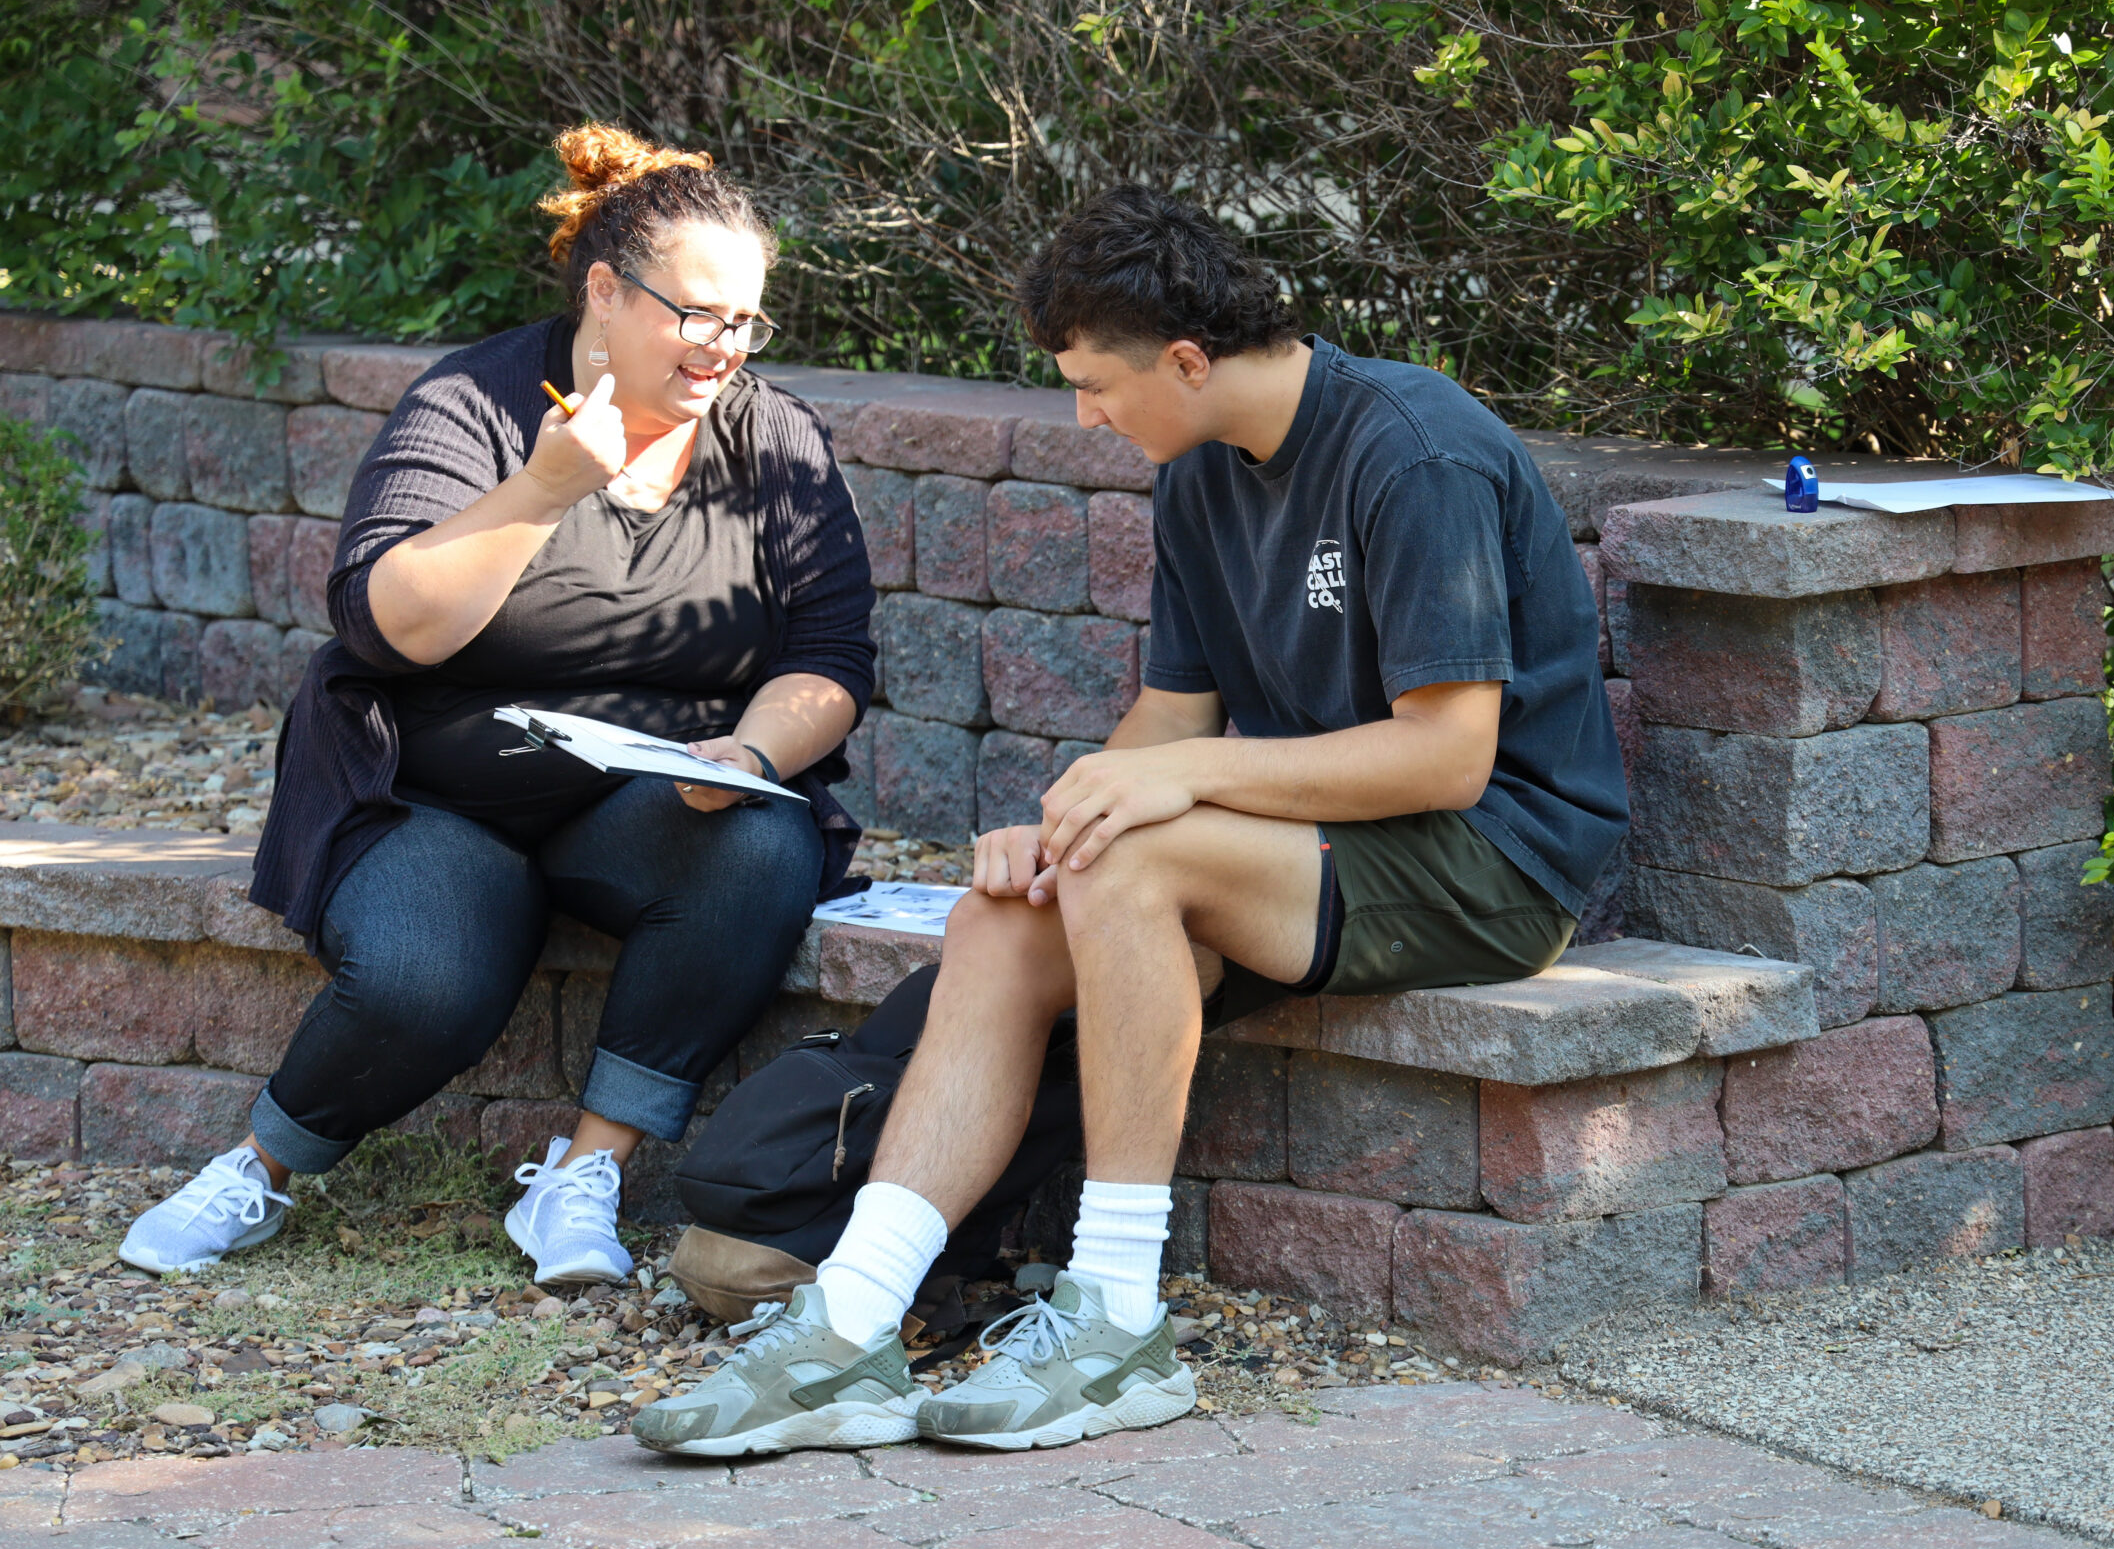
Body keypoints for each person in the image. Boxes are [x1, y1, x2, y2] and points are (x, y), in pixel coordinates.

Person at [633, 185, 1626, 1459]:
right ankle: (847, 1328)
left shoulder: (1409, 448)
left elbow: (1446, 758)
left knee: (1135, 860)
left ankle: (1114, 1319)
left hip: (1493, 860)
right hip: (1303, 854)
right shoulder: (1201, 472)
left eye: (1098, 385)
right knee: (1008, 910)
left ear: (1189, 358)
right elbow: (1168, 721)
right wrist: (1060, 822)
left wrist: (1175, 791)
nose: (1087, 416)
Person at [118, 125, 877, 1288]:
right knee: (427, 978)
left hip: (642, 798)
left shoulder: (774, 439)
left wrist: (752, 750)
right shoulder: (474, 403)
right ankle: (260, 1167)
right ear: (608, 293)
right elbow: (386, 623)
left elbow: (829, 656)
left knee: (762, 842)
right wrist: (545, 488)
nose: (724, 346)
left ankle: (586, 1172)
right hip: (437, 796)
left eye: (747, 321)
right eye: (697, 314)